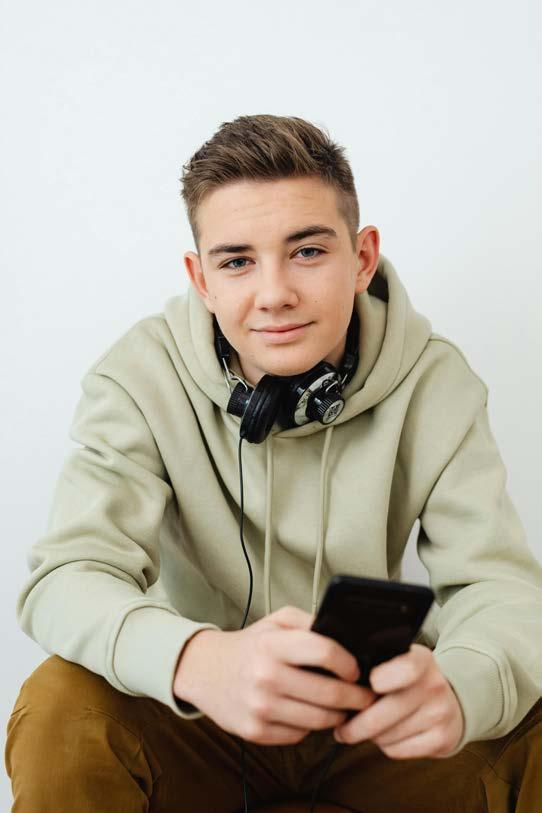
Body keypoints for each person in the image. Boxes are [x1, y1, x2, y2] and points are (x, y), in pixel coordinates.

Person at [5, 113, 542, 812]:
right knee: (60, 706)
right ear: (201, 279)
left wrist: (462, 689)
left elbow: (500, 587)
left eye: (308, 251)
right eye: (237, 262)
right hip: (199, 714)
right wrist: (197, 659)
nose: (274, 292)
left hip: (372, 724)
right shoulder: (137, 376)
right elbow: (67, 576)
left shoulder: (437, 381)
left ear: (363, 258)